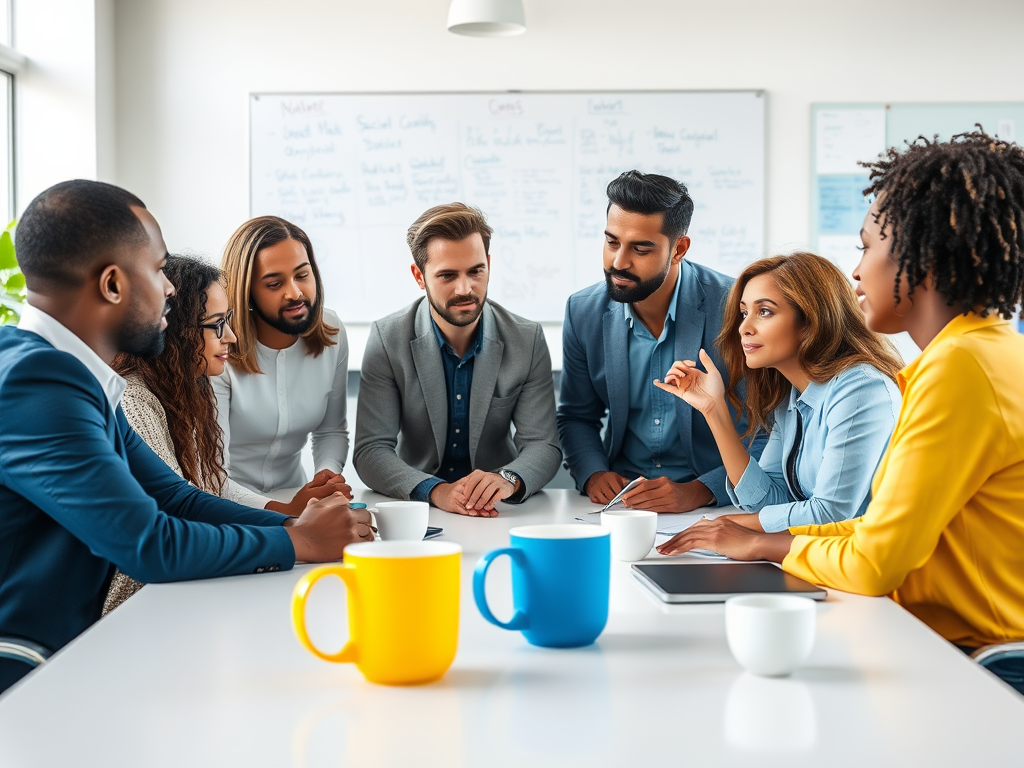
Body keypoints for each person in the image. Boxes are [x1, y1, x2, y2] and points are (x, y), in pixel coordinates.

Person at [657, 131, 1024, 693]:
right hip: (949, 640)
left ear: (919, 252)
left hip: (979, 659)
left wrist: (757, 541)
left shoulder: (961, 367)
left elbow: (875, 560)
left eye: (866, 247)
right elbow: (873, 531)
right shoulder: (972, 353)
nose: (855, 272)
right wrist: (750, 533)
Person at [0, 181, 372, 695]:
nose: (171, 288)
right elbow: (149, 543)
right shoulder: (37, 384)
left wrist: (301, 524)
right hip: (25, 673)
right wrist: (298, 541)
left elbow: (175, 497)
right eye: (157, 269)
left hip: (68, 658)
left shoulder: (73, 374)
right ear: (112, 284)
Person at [105, 254, 351, 613]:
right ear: (174, 328)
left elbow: (202, 491)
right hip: (145, 600)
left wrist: (298, 525)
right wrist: (297, 535)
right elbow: (180, 514)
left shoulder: (190, 387)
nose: (232, 337)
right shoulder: (135, 400)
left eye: (230, 322)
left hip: (193, 581)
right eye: (218, 325)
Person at [557, 170, 766, 513]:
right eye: (612, 242)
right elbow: (576, 417)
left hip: (721, 505)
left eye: (640, 249)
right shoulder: (583, 311)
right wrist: (594, 473)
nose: (618, 262)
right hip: (622, 505)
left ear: (679, 249)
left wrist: (702, 490)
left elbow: (770, 430)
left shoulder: (736, 308)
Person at [654, 252, 902, 532]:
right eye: (745, 312)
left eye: (765, 312)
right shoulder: (791, 398)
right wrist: (714, 409)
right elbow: (767, 503)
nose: (744, 328)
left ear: (810, 321)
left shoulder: (861, 389)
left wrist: (727, 524)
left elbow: (832, 515)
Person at [354, 203, 561, 515]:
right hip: (416, 508)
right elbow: (371, 450)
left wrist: (506, 479)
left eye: (476, 271)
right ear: (419, 276)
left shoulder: (526, 339)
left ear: (488, 264)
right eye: (447, 275)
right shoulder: (387, 339)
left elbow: (543, 445)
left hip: (497, 510)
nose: (465, 288)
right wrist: (436, 491)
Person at [214, 216, 350, 496]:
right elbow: (213, 471)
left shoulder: (333, 332)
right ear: (246, 291)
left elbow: (331, 431)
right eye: (275, 284)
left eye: (302, 275)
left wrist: (326, 477)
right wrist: (285, 513)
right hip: (230, 504)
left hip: (294, 494)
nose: (295, 293)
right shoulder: (218, 349)